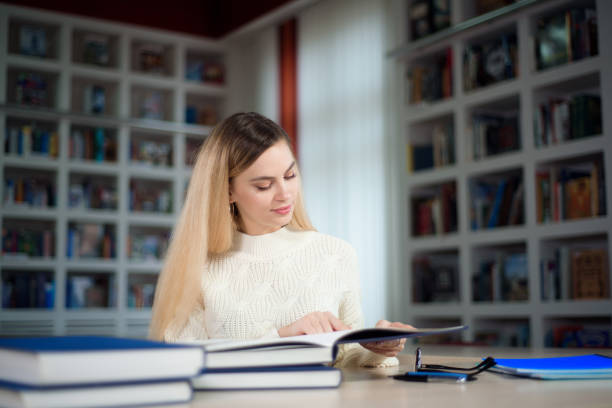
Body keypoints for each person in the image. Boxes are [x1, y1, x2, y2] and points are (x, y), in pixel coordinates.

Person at [149, 112, 412, 367]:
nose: (285, 194)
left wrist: (377, 349)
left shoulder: (336, 253)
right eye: (264, 186)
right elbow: (184, 359)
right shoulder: (198, 267)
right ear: (228, 191)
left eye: (290, 176)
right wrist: (281, 338)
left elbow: (347, 356)